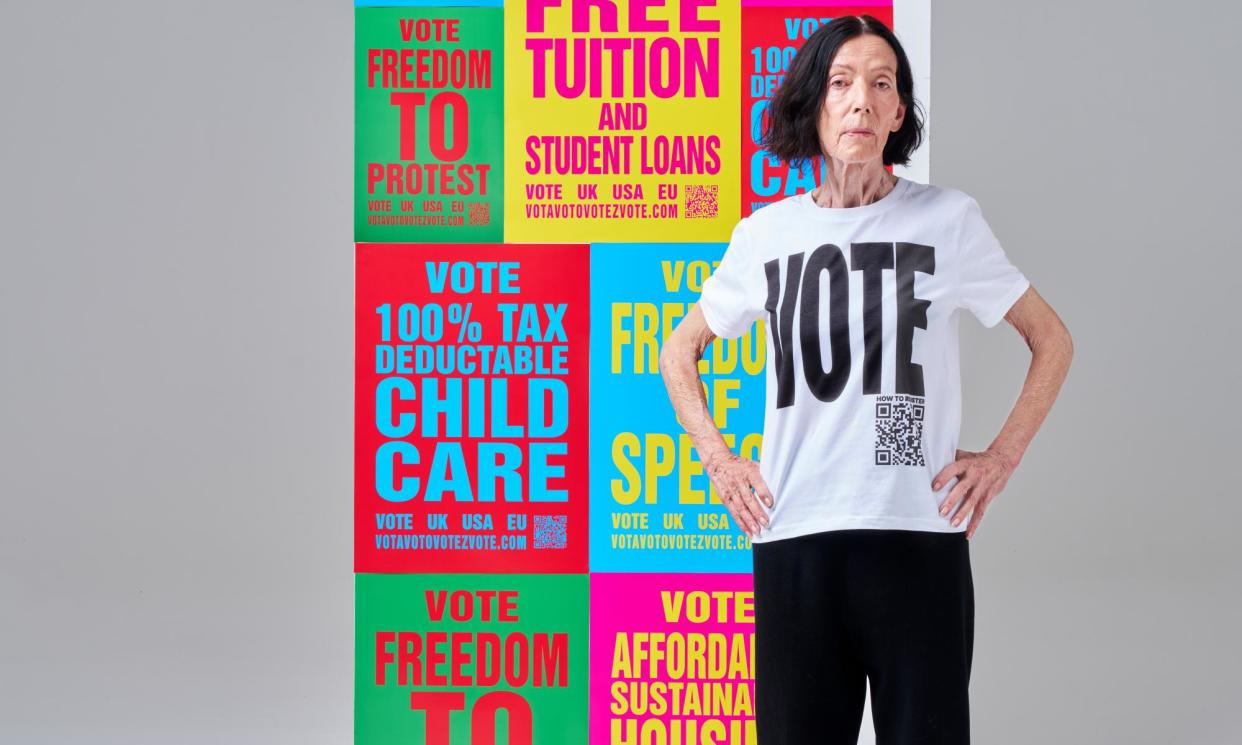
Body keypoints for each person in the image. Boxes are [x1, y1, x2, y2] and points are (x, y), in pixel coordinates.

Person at [657, 15, 1074, 745]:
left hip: (917, 536)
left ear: (898, 115)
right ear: (814, 102)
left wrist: (1001, 456)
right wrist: (718, 458)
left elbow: (1052, 339)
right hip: (795, 539)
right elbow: (679, 350)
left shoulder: (947, 220)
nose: (860, 101)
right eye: (842, 82)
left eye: (881, 85)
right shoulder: (766, 234)